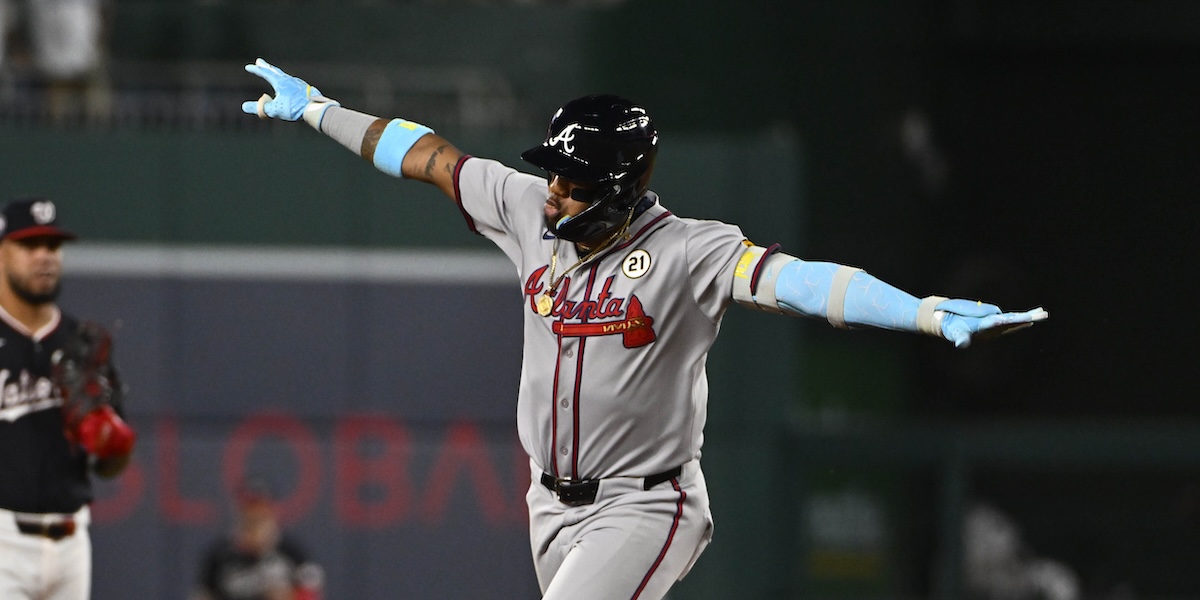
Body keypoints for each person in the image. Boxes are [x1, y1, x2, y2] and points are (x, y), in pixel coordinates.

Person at [240, 58, 1049, 600]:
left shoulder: (688, 252)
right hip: (548, 505)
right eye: (552, 171)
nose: (551, 190)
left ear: (620, 188)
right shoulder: (528, 210)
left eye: (572, 178)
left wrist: (922, 311)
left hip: (645, 504)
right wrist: (319, 111)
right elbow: (432, 157)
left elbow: (800, 283)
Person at [0, 197, 136, 600]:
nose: (45, 257)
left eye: (53, 246)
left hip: (72, 540)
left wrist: (113, 443)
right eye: (30, 245)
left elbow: (109, 466)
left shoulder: (82, 344)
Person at [192, 478, 325, 600]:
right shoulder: (219, 555)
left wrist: (289, 596)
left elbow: (312, 594)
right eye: (248, 506)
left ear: (272, 511)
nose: (253, 511)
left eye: (259, 506)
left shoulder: (292, 553)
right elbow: (202, 595)